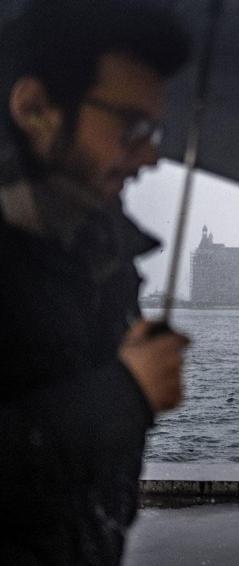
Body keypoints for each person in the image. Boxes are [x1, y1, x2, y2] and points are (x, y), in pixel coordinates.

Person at [0, 2, 191, 564]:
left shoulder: (102, 256)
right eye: (132, 127)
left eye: (153, 130)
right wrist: (125, 394)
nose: (151, 156)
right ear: (35, 108)